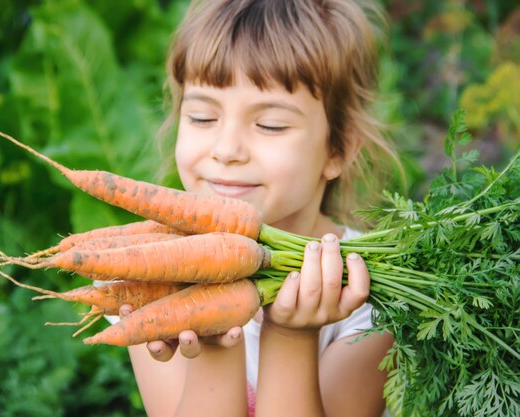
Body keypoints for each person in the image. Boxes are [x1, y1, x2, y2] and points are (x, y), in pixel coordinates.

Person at [106, 1, 398, 415]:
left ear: (339, 148)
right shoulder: (151, 280)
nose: (226, 151)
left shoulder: (372, 297)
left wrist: (292, 335)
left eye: (270, 125)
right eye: (203, 117)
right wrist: (212, 339)